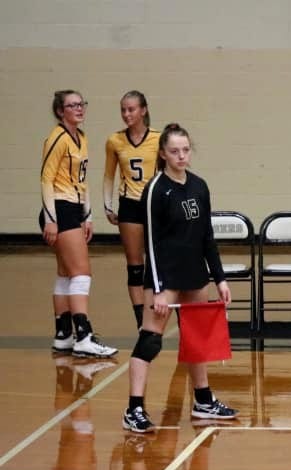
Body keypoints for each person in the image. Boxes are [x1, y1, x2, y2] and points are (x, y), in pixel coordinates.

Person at [123, 123, 238, 434]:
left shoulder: (199, 186)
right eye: (174, 151)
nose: (181, 156)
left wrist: (220, 279)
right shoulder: (156, 190)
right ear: (163, 153)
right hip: (166, 277)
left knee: (198, 338)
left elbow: (207, 237)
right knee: (150, 340)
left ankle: (203, 400)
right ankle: (134, 409)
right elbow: (150, 243)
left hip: (195, 275)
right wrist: (159, 288)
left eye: (186, 150)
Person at [40, 90, 118, 359]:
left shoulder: (81, 137)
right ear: (60, 111)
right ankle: (84, 336)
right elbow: (46, 179)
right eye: (72, 105)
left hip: (74, 209)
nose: (79, 108)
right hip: (60, 209)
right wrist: (51, 220)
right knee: (82, 273)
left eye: (81, 103)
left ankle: (63, 335)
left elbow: (81, 182)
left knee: (65, 274)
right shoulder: (57, 138)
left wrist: (88, 215)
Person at [103, 90, 160, 329]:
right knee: (135, 267)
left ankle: (162, 313)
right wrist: (107, 206)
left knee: (159, 264)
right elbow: (109, 175)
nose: (126, 114)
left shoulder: (158, 138)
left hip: (154, 206)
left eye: (131, 109)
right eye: (123, 110)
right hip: (129, 206)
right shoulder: (115, 141)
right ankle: (141, 323)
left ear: (143, 110)